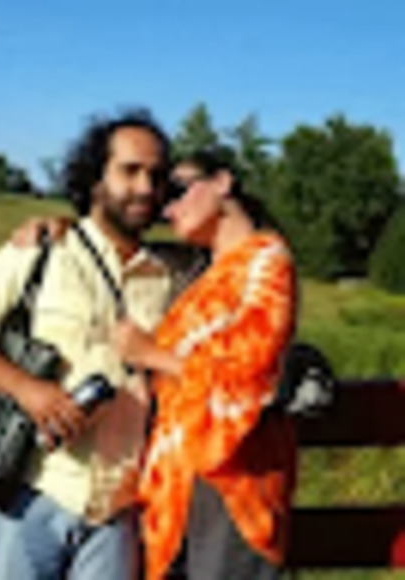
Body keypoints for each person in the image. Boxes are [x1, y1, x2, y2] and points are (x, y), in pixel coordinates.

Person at [0, 110, 174, 579]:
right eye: (129, 171)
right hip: (33, 492)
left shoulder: (168, 277)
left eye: (156, 175)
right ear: (95, 178)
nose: (145, 187)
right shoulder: (45, 251)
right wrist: (28, 390)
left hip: (118, 509)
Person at [110, 149, 298, 579]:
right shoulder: (197, 273)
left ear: (222, 182)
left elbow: (251, 372)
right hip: (171, 488)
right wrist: (53, 226)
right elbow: (106, 235)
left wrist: (151, 355)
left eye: (177, 191)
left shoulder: (266, 260)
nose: (169, 210)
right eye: (163, 205)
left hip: (233, 481)